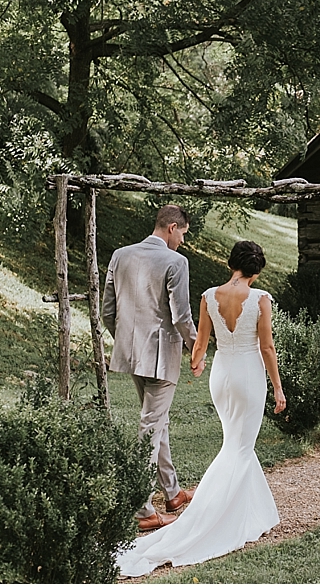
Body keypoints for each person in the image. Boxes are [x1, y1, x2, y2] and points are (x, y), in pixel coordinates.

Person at [116, 240, 287, 577]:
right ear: (256, 271)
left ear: (231, 264)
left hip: (221, 376)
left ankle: (256, 512)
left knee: (235, 444)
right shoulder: (260, 299)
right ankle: (213, 517)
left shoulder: (210, 295)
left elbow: (202, 342)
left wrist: (196, 363)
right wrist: (278, 388)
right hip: (249, 376)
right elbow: (266, 346)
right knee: (239, 447)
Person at [103, 205, 198, 533]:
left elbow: (107, 311)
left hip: (130, 353)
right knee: (150, 428)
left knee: (158, 422)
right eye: (183, 234)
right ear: (172, 228)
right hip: (160, 356)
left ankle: (172, 493)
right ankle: (143, 510)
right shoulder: (176, 262)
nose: (183, 241)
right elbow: (181, 315)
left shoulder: (120, 255)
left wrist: (125, 338)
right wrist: (196, 348)